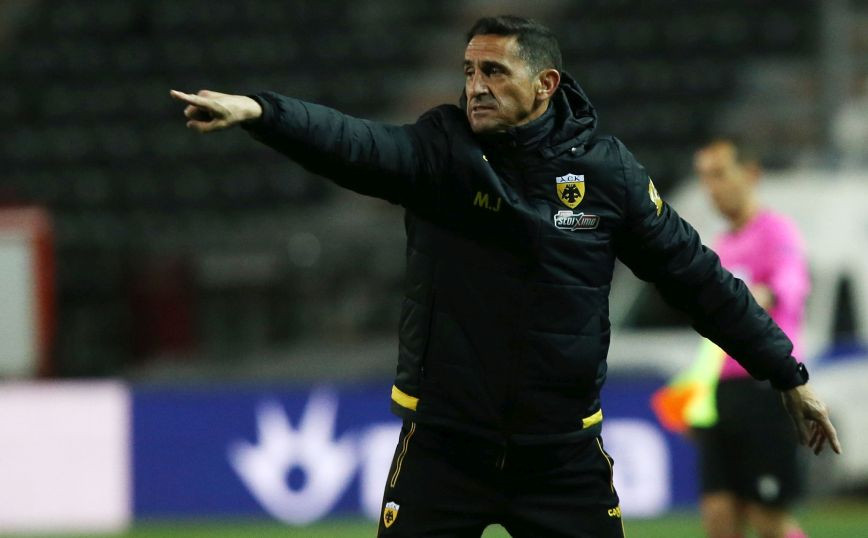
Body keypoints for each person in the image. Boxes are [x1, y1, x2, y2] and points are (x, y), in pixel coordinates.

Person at [169, 16, 840, 538]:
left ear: (545, 84)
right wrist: (263, 113)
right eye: (468, 71)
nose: (475, 86)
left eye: (493, 70)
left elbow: (698, 278)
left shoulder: (607, 174)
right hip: (444, 448)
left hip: (562, 455)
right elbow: (356, 143)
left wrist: (784, 371)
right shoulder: (441, 152)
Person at [693, 139, 812, 538]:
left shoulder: (776, 231)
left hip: (766, 387)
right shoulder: (721, 246)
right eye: (704, 177)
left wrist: (751, 296)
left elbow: (790, 285)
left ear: (751, 174)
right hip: (723, 391)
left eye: (719, 174)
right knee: (719, 516)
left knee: (767, 519)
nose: (711, 188)